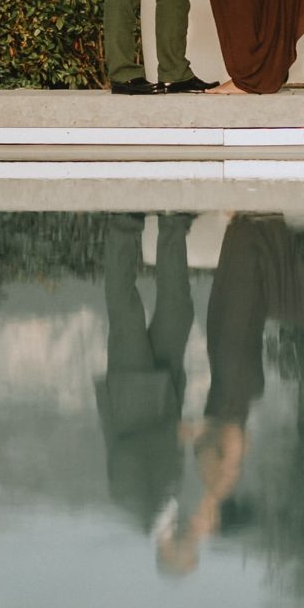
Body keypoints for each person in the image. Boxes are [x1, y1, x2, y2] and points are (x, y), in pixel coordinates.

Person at [156, 214, 304, 575]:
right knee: (238, 302)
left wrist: (190, 432)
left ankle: (246, 230)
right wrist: (198, 430)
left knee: (227, 304)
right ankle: (249, 230)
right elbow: (236, 439)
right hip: (234, 388)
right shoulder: (217, 487)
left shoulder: (208, 489)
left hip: (229, 384)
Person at [96, 212, 194, 530]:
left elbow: (127, 452)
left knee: (124, 307)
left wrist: (174, 437)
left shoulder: (126, 497)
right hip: (166, 392)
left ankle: (123, 225)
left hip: (131, 391)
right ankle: (173, 224)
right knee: (178, 308)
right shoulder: (169, 494)